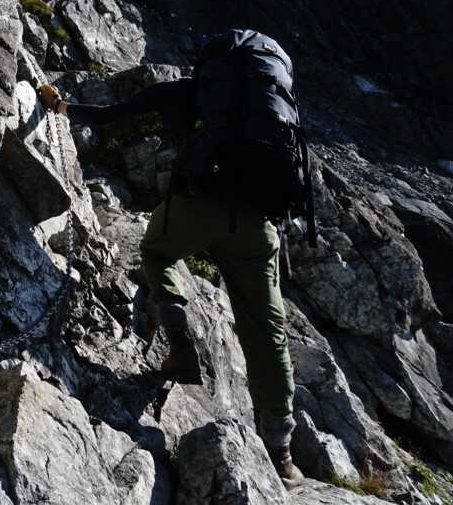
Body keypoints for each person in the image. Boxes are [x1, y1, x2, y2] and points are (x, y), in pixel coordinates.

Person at [36, 32, 306, 487]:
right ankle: (281, 452)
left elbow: (116, 114)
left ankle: (179, 344)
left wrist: (64, 108)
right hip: (257, 224)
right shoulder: (277, 106)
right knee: (267, 332)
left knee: (157, 252)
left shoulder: (193, 91)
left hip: (196, 205)